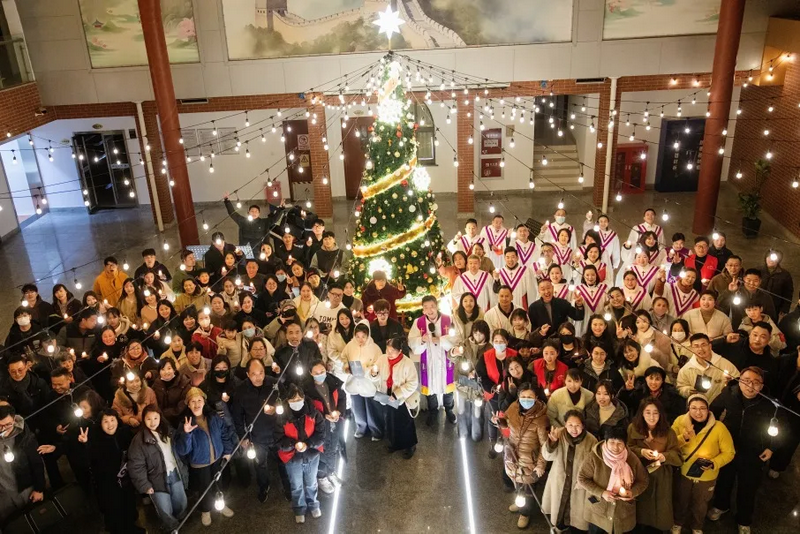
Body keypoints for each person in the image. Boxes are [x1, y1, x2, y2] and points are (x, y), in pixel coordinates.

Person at [707, 367, 775, 533]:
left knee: (748, 487)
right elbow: (712, 412)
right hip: (727, 447)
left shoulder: (769, 403)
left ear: (761, 385)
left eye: (756, 382)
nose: (750, 385)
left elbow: (780, 427)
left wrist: (771, 447)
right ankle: (721, 506)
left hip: (754, 451)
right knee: (724, 480)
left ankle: (744, 519)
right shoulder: (728, 393)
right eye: (746, 380)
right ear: (739, 380)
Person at [671, 394, 735, 534]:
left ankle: (697, 526)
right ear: (688, 408)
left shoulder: (719, 427)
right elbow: (670, 443)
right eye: (693, 408)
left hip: (707, 474)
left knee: (701, 503)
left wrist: (714, 463)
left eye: (702, 408)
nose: (698, 412)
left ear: (708, 410)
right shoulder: (680, 421)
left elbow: (729, 452)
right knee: (681, 499)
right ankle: (677, 522)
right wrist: (684, 437)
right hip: (684, 471)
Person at [174, 387, 236, 526]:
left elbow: (224, 434)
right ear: (188, 404)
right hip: (200, 463)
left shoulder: (214, 417)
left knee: (219, 485)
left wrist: (227, 451)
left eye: (199, 400)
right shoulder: (184, 424)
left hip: (217, 459)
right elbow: (182, 450)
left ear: (204, 402)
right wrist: (186, 434)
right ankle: (206, 510)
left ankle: (221, 505)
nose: (196, 404)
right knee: (205, 489)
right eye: (193, 401)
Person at [79, 408, 143, 534]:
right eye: (105, 421)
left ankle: (130, 526)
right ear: (100, 424)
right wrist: (85, 444)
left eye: (112, 420)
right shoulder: (96, 439)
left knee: (128, 503)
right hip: (109, 483)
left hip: (126, 479)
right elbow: (89, 459)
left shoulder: (124, 433)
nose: (110, 424)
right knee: (115, 508)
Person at [577, 425, 649, 534]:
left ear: (625, 444)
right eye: (612, 443)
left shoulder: (631, 458)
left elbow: (643, 480)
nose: (615, 447)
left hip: (622, 514)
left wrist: (632, 492)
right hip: (599, 511)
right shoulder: (594, 457)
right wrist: (602, 492)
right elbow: (582, 478)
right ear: (605, 442)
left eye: (620, 443)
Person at [128, 404, 188, 532]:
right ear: (143, 419)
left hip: (174, 472)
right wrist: (144, 484)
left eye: (155, 418)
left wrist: (185, 433)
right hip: (156, 479)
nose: (152, 422)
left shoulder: (168, 431)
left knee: (181, 501)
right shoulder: (139, 441)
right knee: (164, 508)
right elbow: (136, 465)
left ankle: (182, 520)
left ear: (160, 417)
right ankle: (172, 527)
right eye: (148, 419)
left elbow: (180, 449)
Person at [498, 382, 549, 529]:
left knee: (528, 491)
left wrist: (541, 465)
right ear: (518, 397)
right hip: (513, 457)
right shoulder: (513, 408)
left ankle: (525, 513)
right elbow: (507, 422)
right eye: (523, 396)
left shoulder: (541, 419)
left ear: (536, 397)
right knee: (516, 482)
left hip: (529, 462)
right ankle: (519, 503)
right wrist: (500, 422)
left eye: (530, 397)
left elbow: (545, 445)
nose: (526, 399)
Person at [232, 358, 283, 503]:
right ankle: (263, 486)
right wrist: (243, 436)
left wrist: (277, 409)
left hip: (276, 432)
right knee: (260, 464)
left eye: (261, 372)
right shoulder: (241, 390)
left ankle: (286, 486)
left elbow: (285, 400)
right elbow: (237, 416)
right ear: (247, 374)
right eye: (253, 374)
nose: (258, 377)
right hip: (257, 435)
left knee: (282, 460)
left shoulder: (273, 383)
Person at [626, 399, 681, 533]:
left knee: (659, 507)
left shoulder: (669, 432)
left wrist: (664, 456)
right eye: (648, 412)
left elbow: (678, 456)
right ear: (642, 414)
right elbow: (626, 449)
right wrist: (641, 451)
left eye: (655, 413)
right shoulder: (633, 428)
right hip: (638, 473)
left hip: (661, 476)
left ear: (661, 414)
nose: (652, 417)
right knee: (641, 506)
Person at [542, 410, 598, 533]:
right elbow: (547, 456)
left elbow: (594, 464)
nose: (574, 429)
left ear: (583, 425)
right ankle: (558, 528)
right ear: (565, 424)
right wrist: (552, 443)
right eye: (570, 425)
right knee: (558, 509)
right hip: (559, 479)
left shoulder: (591, 440)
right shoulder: (559, 434)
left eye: (577, 425)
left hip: (578, 484)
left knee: (576, 514)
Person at [276, 384, 325, 524]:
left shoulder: (314, 413)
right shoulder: (281, 417)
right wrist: (293, 444)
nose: (296, 401)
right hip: (292, 457)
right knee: (296, 485)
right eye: (292, 399)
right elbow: (278, 439)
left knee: (311, 482)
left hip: (311, 454)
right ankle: (299, 508)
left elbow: (321, 434)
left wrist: (308, 444)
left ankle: (313, 504)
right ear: (287, 401)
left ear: (304, 398)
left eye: (299, 398)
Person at [408, 295, 458, 427]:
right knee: (430, 387)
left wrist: (441, 340)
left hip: (445, 359)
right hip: (428, 361)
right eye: (426, 308)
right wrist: (421, 340)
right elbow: (411, 341)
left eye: (432, 307)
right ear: (423, 309)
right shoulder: (418, 323)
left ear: (437, 306)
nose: (430, 310)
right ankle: (433, 411)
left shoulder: (449, 319)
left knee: (447, 387)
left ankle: (449, 410)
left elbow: (456, 338)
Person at [370, 337, 420, 458]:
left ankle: (410, 445)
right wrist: (373, 374)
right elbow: (375, 376)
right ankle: (394, 443)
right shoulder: (382, 359)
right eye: (387, 350)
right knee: (390, 421)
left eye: (393, 351)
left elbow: (413, 383)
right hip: (386, 397)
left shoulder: (407, 363)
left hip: (400, 398)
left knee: (404, 422)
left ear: (400, 351)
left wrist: (397, 394)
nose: (389, 354)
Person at [305, 360, 347, 492]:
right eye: (316, 373)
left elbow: (342, 398)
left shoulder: (332, 382)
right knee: (322, 451)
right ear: (310, 373)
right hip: (319, 427)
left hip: (334, 423)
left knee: (333, 448)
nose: (320, 375)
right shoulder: (307, 390)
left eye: (322, 372)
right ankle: (322, 476)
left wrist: (339, 411)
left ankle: (331, 472)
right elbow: (308, 409)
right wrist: (323, 417)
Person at [0, 404, 45, 525]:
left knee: (34, 521)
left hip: (25, 490)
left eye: (7, 424)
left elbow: (36, 463)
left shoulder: (24, 436)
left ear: (14, 420)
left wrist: (39, 489)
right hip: (3, 496)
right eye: (0, 425)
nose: (3, 429)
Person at [340, 323, 384, 437]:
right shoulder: (350, 345)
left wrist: (369, 371)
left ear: (368, 335)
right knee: (357, 407)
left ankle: (376, 430)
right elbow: (343, 357)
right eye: (358, 336)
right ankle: (361, 428)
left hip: (368, 383)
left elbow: (379, 365)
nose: (360, 340)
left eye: (363, 337)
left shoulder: (374, 348)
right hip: (354, 382)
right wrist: (347, 367)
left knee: (372, 408)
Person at [476, 329, 517, 452]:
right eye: (496, 341)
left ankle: (509, 445)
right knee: (493, 419)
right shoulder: (486, 356)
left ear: (507, 342)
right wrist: (493, 387)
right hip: (493, 395)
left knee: (508, 419)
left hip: (510, 394)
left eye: (502, 341)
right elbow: (481, 376)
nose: (499, 343)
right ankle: (493, 444)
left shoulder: (514, 354)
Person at [619, 366, 683, 424]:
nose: (653, 382)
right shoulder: (638, 393)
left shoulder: (672, 395)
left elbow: (676, 416)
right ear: (646, 379)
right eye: (651, 378)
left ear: (662, 381)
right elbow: (623, 405)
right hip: (641, 427)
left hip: (664, 427)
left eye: (657, 379)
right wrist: (626, 390)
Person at [152, 358, 192, 428]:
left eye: (169, 368)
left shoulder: (183, 382)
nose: (166, 372)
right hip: (160, 419)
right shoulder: (156, 384)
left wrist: (166, 413)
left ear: (174, 369)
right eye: (162, 369)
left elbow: (184, 403)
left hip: (180, 419)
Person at [761, 249, 794, 318]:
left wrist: (784, 309)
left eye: (774, 258)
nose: (771, 260)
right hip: (757, 306)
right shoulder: (758, 271)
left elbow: (788, 293)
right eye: (768, 257)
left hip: (774, 307)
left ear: (778, 260)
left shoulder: (785, 275)